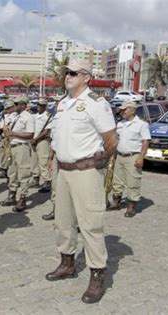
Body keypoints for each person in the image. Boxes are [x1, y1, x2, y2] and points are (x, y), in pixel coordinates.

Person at [45, 60, 118, 304]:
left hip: (86, 170)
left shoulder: (96, 104)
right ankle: (67, 264)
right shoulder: (64, 104)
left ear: (86, 77)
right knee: (63, 221)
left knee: (90, 225)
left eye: (74, 73)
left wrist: (104, 159)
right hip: (63, 171)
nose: (68, 76)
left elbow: (111, 138)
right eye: (67, 73)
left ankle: (97, 275)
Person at [108, 101, 150, 217]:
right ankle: (116, 201)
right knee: (117, 180)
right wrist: (113, 155)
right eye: (122, 110)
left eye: (125, 110)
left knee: (133, 181)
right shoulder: (121, 124)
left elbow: (145, 141)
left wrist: (141, 157)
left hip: (133, 156)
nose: (122, 112)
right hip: (120, 155)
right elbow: (117, 140)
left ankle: (132, 205)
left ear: (132, 110)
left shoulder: (141, 124)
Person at [0, 95, 35, 213]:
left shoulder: (28, 117)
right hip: (12, 146)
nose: (14, 106)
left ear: (23, 105)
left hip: (22, 147)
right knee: (12, 172)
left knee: (23, 173)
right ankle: (12, 195)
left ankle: (22, 198)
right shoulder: (14, 116)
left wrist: (13, 133)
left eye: (16, 104)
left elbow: (30, 134)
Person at [30, 98, 53, 193]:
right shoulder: (35, 116)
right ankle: (36, 179)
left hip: (42, 141)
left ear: (45, 106)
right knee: (34, 161)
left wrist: (36, 139)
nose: (38, 107)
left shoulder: (48, 116)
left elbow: (46, 131)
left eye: (41, 105)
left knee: (43, 162)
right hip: (33, 141)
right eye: (38, 105)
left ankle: (47, 181)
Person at [0, 100, 17, 178]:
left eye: (9, 108)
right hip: (3, 138)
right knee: (3, 155)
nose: (7, 110)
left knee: (10, 157)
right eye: (6, 108)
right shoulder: (4, 116)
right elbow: (0, 126)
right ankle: (5, 170)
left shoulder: (15, 116)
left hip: (11, 138)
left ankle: (11, 174)